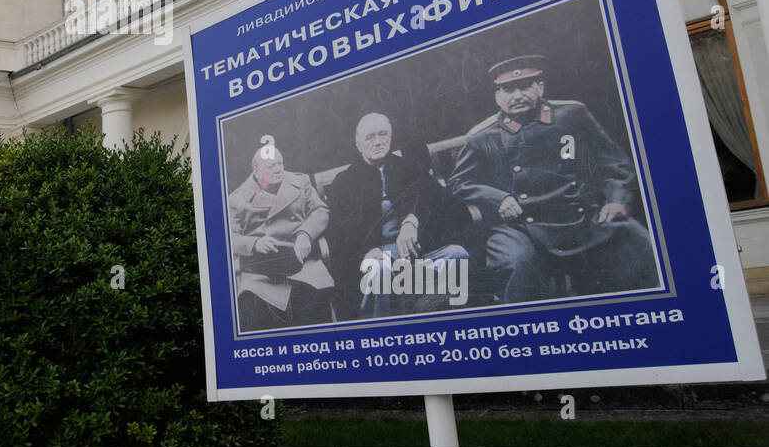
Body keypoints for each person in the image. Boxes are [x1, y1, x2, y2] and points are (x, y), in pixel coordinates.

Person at [448, 55, 659, 303]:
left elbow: (613, 163)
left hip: (579, 215)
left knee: (635, 240)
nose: (517, 95)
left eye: (525, 86)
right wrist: (499, 198)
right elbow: (459, 182)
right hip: (519, 225)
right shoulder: (482, 136)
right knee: (516, 261)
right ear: (497, 96)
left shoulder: (572, 114)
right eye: (508, 89)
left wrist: (615, 200)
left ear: (540, 87)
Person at [322, 113, 469, 319]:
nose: (378, 142)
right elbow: (338, 233)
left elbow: (443, 202)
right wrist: (366, 252)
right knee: (380, 269)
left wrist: (413, 220)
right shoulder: (344, 182)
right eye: (370, 137)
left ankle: (418, 310)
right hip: (375, 261)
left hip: (415, 255)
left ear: (390, 137)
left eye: (383, 134)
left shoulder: (408, 168)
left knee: (457, 255)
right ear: (358, 144)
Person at [228, 143, 334, 331]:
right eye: (271, 166)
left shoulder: (300, 182)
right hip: (261, 274)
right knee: (256, 317)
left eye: (280, 163)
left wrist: (305, 234)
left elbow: (320, 210)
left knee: (317, 313)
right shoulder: (237, 199)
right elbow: (229, 237)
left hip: (303, 263)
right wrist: (255, 243)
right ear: (256, 169)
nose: (278, 169)